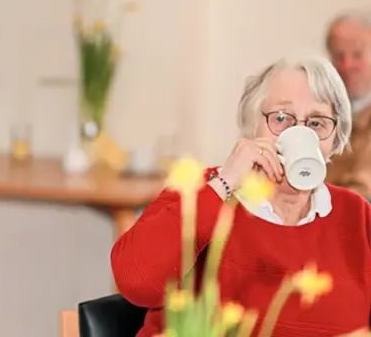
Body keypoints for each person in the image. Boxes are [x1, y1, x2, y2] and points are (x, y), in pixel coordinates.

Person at [111, 52, 371, 336]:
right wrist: (227, 181)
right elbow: (135, 282)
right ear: (252, 125)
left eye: (316, 123)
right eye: (281, 118)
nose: (299, 133)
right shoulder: (200, 190)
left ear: (335, 138)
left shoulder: (357, 215)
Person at [326, 12, 371, 197]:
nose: (347, 65)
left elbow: (363, 189)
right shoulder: (319, 111)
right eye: (339, 56)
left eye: (357, 55)